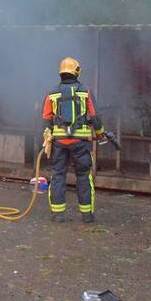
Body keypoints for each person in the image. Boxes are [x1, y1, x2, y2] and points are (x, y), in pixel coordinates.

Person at [41, 57, 105, 223]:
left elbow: (46, 118)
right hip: (80, 143)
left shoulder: (52, 93)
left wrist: (48, 137)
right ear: (77, 71)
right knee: (84, 176)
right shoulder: (86, 91)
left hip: (59, 143)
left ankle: (57, 214)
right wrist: (100, 133)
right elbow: (94, 116)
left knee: (58, 176)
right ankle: (87, 215)